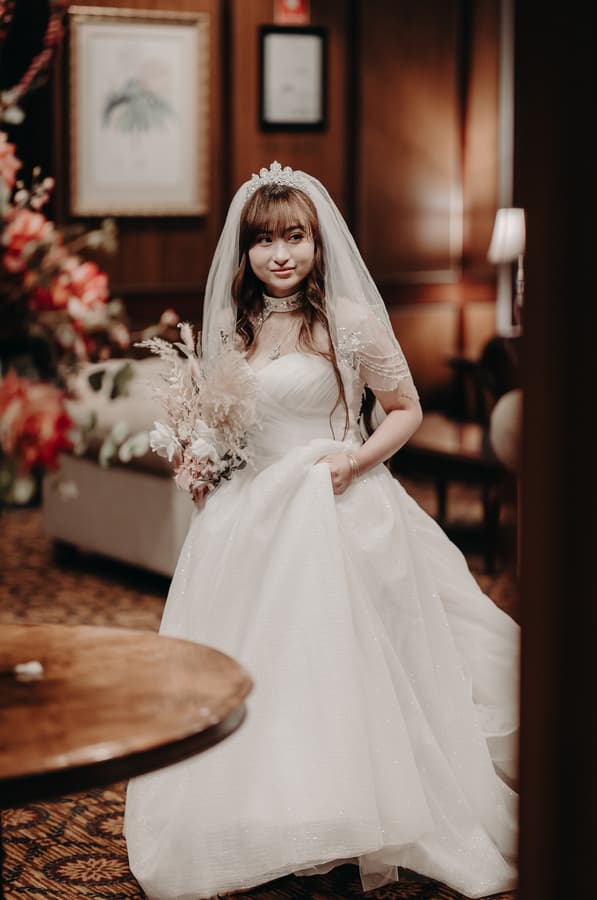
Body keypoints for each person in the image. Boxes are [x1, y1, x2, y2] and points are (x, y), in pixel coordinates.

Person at [124, 162, 520, 900]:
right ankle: (274, 809)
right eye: (265, 242)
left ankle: (357, 809)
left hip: (340, 508)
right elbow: (227, 423)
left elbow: (405, 409)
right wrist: (202, 460)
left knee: (345, 665)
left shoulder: (352, 321)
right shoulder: (234, 331)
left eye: (295, 238)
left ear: (317, 243)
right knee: (263, 669)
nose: (281, 255)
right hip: (251, 515)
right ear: (244, 253)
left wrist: (355, 459)